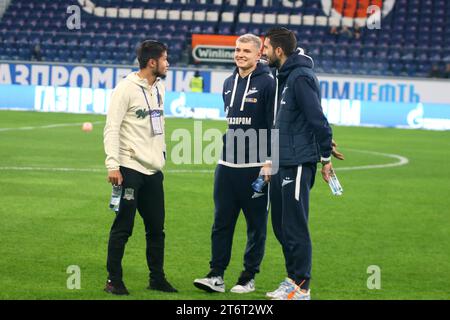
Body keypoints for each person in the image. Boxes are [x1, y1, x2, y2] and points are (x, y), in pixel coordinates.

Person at [193, 34, 275, 294]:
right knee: (221, 223)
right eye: (237, 50)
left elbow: (275, 125)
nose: (240, 54)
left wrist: (270, 161)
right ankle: (216, 275)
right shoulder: (228, 82)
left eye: (246, 51)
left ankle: (247, 277)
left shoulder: (269, 83)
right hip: (226, 166)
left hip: (255, 168)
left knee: (256, 226)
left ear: (258, 53)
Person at [262, 27, 337, 300]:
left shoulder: (301, 77)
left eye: (266, 48)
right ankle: (292, 279)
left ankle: (301, 286)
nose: (263, 53)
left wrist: (325, 157)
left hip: (297, 163)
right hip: (282, 160)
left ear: (279, 50)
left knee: (294, 225)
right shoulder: (283, 76)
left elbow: (317, 118)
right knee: (281, 226)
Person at [103, 40, 177, 295]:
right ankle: (114, 280)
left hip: (153, 171)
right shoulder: (125, 89)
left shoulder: (160, 87)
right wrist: (113, 164)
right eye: (165, 59)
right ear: (152, 62)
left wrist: (162, 152)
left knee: (157, 228)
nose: (168, 63)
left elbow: (160, 124)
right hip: (129, 168)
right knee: (124, 226)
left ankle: (157, 278)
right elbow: (112, 128)